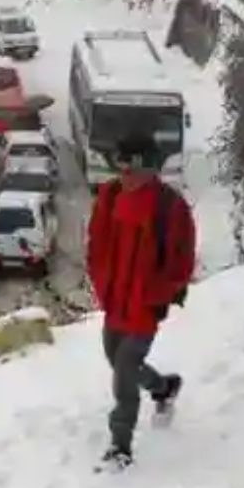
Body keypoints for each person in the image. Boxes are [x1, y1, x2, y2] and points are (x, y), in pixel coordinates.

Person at [86, 130, 197, 469]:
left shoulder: (170, 207)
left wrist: (158, 293)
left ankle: (121, 446)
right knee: (117, 359)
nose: (124, 174)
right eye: (120, 166)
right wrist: (102, 284)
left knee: (124, 370)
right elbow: (97, 245)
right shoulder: (109, 197)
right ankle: (163, 387)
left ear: (149, 168)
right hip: (115, 300)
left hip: (145, 306)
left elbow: (182, 261)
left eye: (131, 167)